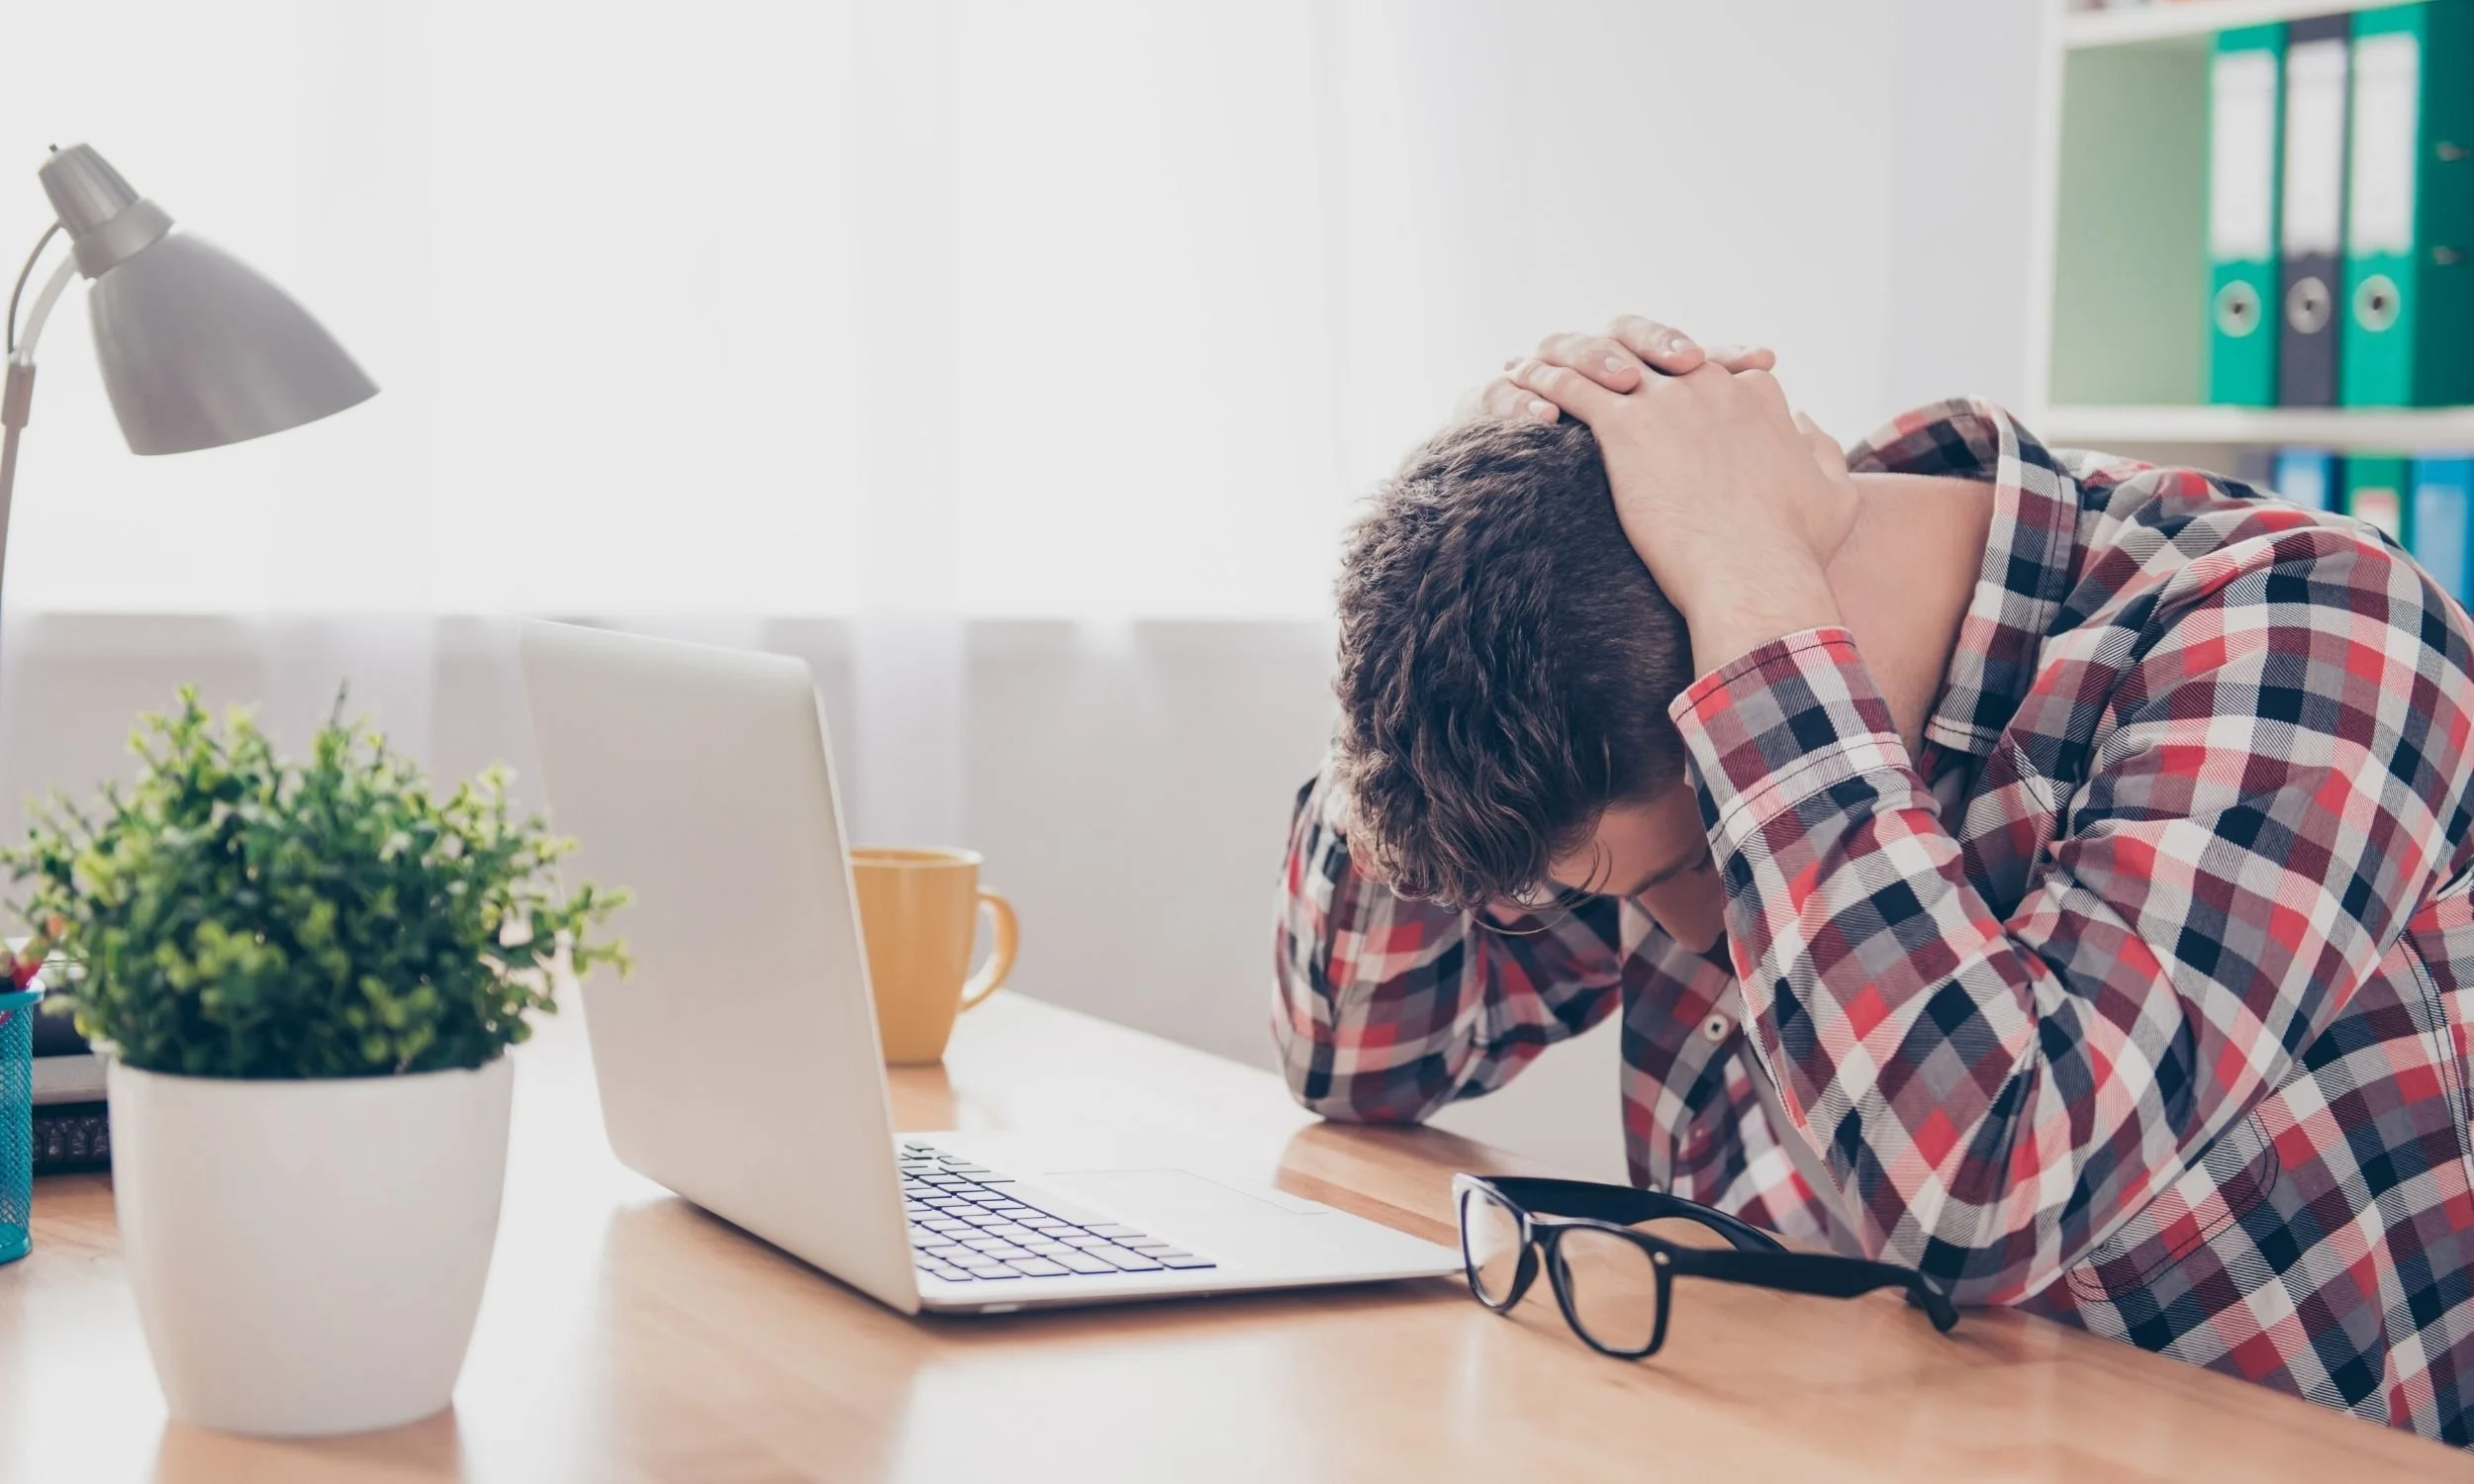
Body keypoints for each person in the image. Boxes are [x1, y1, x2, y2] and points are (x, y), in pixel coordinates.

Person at [1276, 315, 2474, 1443]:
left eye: (1702, 860)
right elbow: (1361, 1053)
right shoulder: (1630, 701)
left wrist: (1759, 614)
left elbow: (1989, 1188)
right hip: (1832, 1434)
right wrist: (1446, 585)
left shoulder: (2306, 625)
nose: (1707, 936)